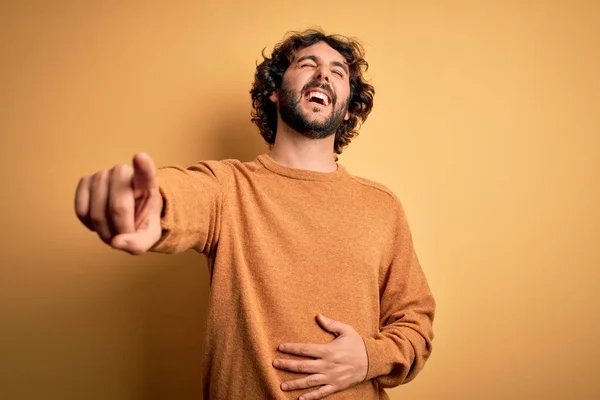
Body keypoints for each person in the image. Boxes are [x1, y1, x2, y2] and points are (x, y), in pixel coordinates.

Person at [74, 29, 436, 400]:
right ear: (274, 91)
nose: (323, 74)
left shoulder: (381, 206)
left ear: (348, 109)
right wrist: (145, 204)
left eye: (337, 72)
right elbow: (181, 195)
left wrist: (369, 357)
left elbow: (416, 324)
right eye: (307, 64)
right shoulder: (228, 187)